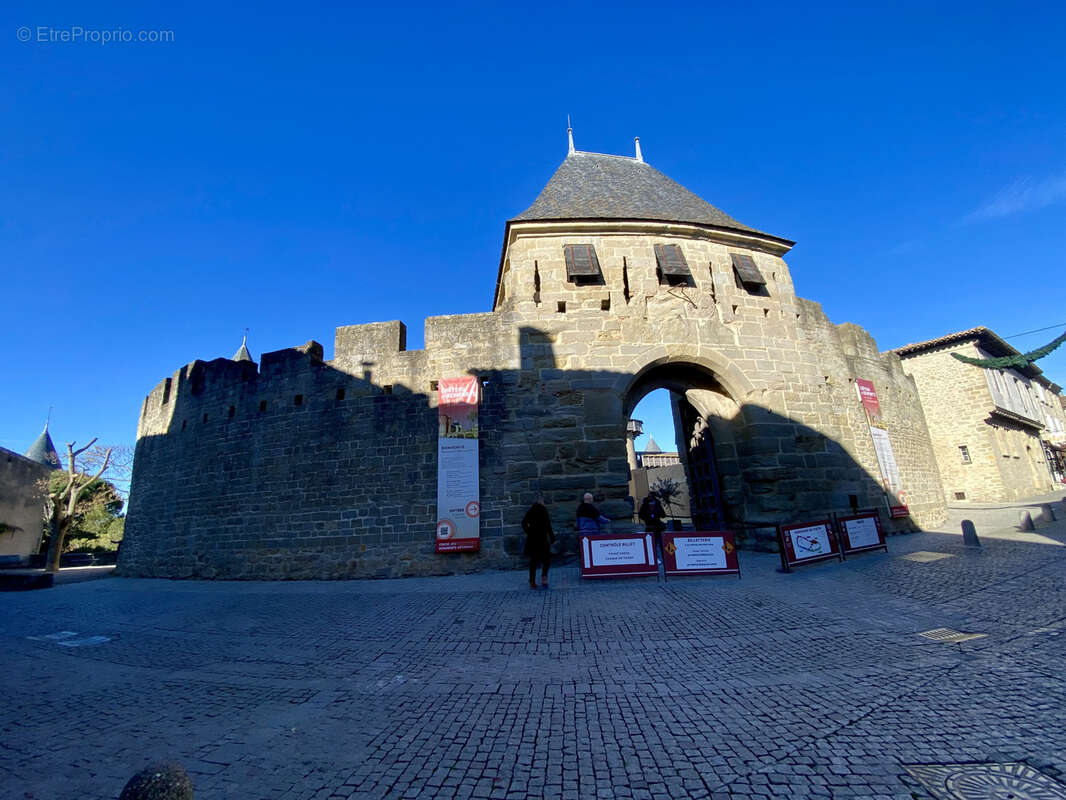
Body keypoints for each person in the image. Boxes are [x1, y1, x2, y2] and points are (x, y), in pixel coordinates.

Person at [522, 496, 555, 589]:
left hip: (533, 539)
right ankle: (543, 577)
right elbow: (548, 525)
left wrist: (529, 531)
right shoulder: (543, 510)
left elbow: (523, 523)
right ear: (541, 501)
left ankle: (532, 581)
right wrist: (552, 537)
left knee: (534, 561)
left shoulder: (531, 510)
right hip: (542, 539)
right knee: (546, 560)